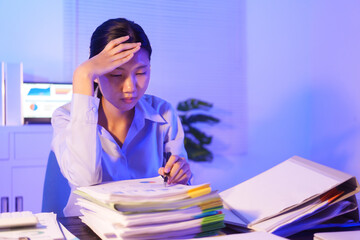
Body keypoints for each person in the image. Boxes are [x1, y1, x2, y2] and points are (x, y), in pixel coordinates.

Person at [51, 18, 192, 216]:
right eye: (117, 75)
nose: (130, 87)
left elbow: (180, 184)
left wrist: (181, 175)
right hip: (88, 227)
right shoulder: (65, 116)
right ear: (96, 74)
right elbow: (85, 178)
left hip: (148, 224)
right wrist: (82, 75)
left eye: (141, 72)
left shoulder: (164, 113)